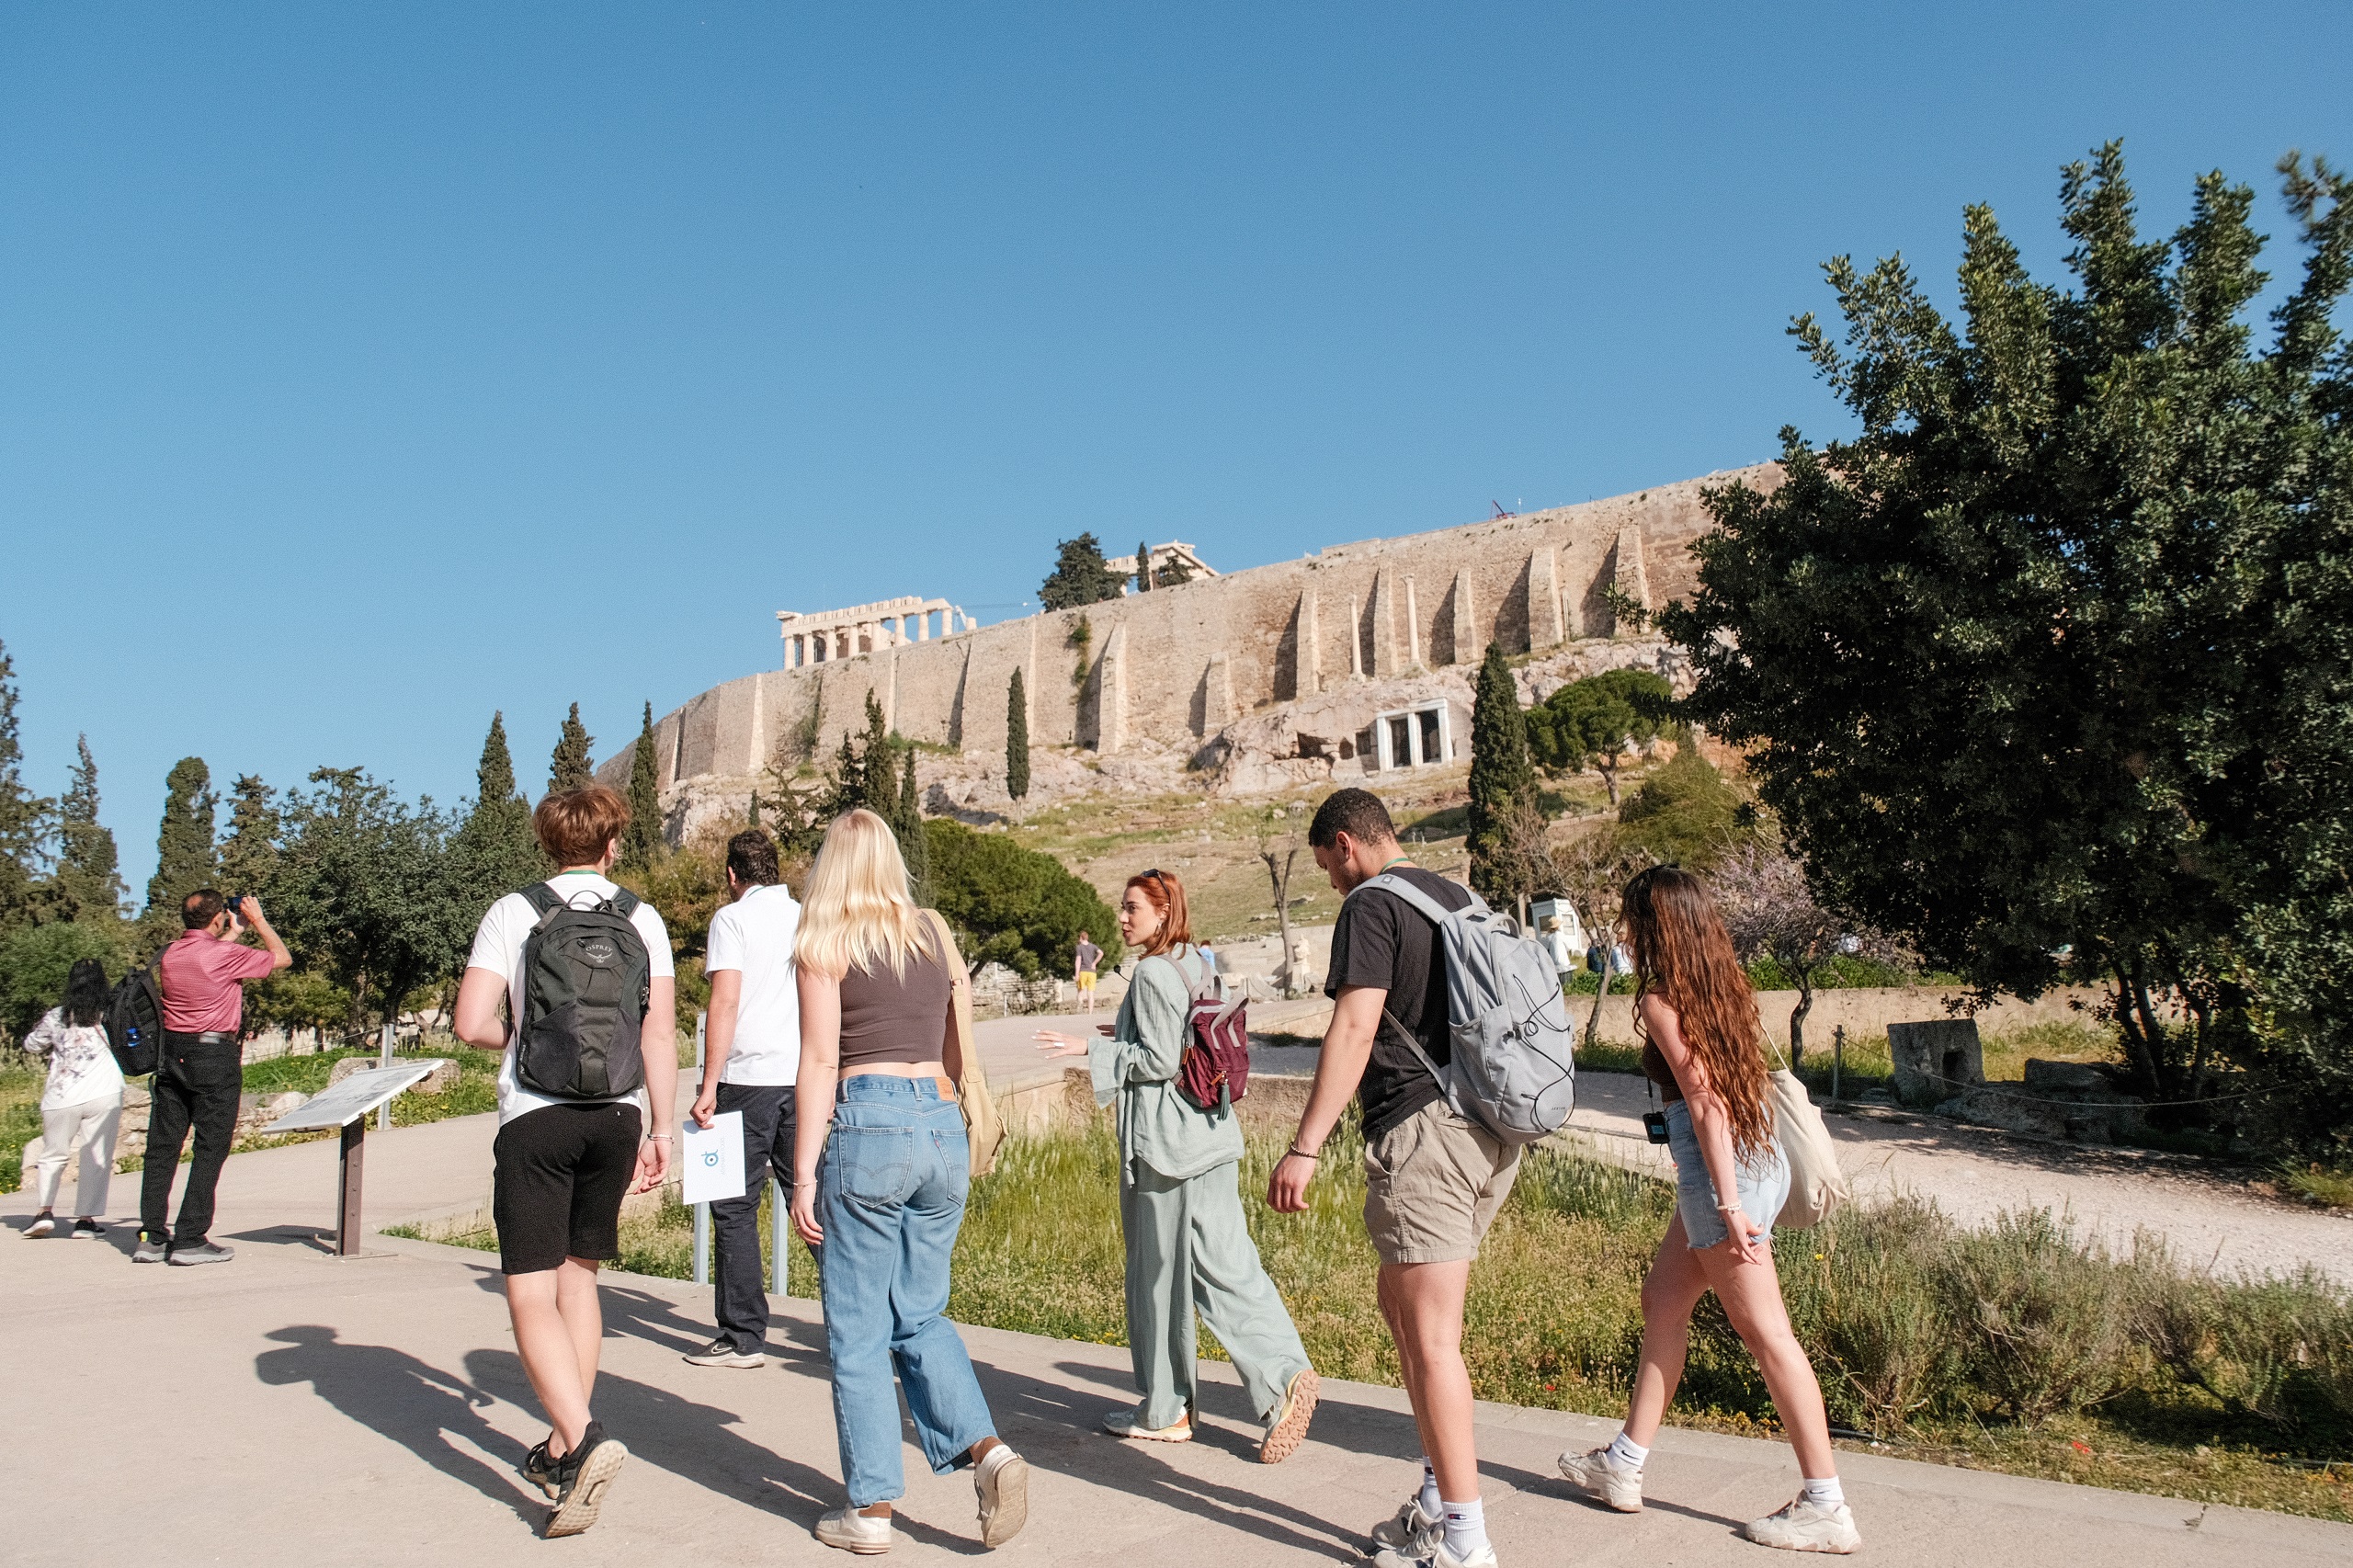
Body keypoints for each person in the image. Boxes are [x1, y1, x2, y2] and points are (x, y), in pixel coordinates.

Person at [1554, 867, 1860, 1553]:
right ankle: (1623, 1464)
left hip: (1723, 1174)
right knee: (1664, 1299)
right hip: (1758, 1158)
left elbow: (1705, 1103)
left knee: (1769, 1336)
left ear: (1653, 927)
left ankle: (1826, 1505)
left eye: (1631, 921)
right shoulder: (1723, 985)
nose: (1625, 934)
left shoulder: (1664, 998)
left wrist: (1725, 1202)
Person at [1267, 788, 1514, 1568]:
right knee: (1403, 1312)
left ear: (1346, 843)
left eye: (1328, 865)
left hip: (1425, 1132)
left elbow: (1355, 1023)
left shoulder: (1372, 904)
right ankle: (1440, 1498)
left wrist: (1306, 1145)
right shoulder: (1458, 898)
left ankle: (1465, 1541)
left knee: (1432, 1341)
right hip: (1490, 1131)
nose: (1331, 880)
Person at [789, 808, 1029, 1556]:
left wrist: (802, 1173)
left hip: (869, 1121)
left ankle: (871, 1509)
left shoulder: (823, 939)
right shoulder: (931, 932)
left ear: (830, 866)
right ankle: (989, 1452)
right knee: (919, 1314)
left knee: (858, 1330)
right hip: (940, 1124)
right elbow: (958, 1039)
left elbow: (820, 1061)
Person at [1034, 869, 1319, 1461]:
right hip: (1213, 1134)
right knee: (1230, 1265)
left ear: (1163, 912)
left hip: (1167, 1148)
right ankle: (1284, 1374)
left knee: (1158, 1277)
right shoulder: (1195, 962)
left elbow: (1161, 1060)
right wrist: (1125, 1031)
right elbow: (1184, 1035)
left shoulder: (1151, 972)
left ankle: (1168, 1408)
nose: (1122, 917)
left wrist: (1091, 1047)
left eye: (1132, 907)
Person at [453, 784, 676, 1539]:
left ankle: (581, 1440)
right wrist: (662, 1131)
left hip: (537, 1115)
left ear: (547, 845)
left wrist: (520, 1041)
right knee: (579, 1283)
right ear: (612, 846)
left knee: (529, 1289)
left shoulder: (513, 911)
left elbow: (470, 1023)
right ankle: (560, 1448)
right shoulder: (643, 918)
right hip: (618, 1115)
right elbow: (658, 1035)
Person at [685, 828, 803, 1369]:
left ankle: (742, 1337)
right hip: (800, 1079)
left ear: (732, 874)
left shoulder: (731, 919)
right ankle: (864, 1328)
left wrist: (708, 1085)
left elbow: (725, 1002)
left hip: (746, 1079)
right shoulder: (806, 917)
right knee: (813, 1204)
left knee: (733, 1207)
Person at [136, 889, 292, 1266]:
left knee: (162, 1147)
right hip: (213, 1055)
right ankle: (190, 1238)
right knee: (209, 1148)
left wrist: (233, 930)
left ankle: (151, 1237)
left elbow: (206, 956)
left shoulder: (171, 953)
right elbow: (282, 958)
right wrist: (257, 920)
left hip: (172, 1054)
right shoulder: (223, 956)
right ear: (217, 917)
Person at [23, 958, 126, 1239]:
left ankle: (45, 1212)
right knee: (96, 1156)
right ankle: (85, 1221)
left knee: (53, 1154)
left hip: (61, 1095)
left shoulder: (56, 1016)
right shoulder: (109, 1014)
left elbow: (31, 1045)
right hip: (104, 1093)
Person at [1073, 932, 1102, 1013]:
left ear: (1081, 938)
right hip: (1092, 972)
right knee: (1090, 993)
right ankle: (1090, 1012)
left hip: (1083, 971)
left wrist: (1077, 973)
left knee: (1080, 991)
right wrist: (1094, 963)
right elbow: (1101, 953)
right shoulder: (1093, 946)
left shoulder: (1079, 947)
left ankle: (1080, 1009)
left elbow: (1078, 960)